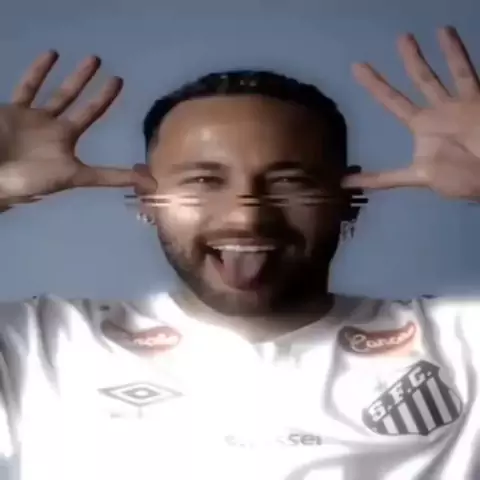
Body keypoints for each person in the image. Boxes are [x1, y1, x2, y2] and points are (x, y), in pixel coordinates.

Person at [0, 24, 479, 480]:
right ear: (148, 199)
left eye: (289, 182)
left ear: (349, 198)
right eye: (204, 181)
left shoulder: (460, 345)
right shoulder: (43, 346)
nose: (247, 219)